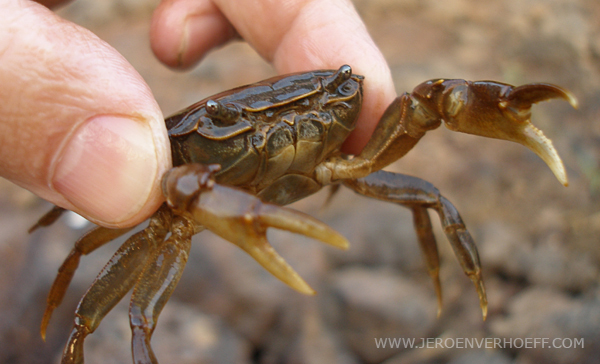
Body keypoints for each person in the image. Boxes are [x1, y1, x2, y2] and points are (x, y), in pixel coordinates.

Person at [0, 0, 395, 228]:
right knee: (133, 317)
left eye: (331, 94)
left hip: (326, 145)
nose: (289, 129)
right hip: (199, 197)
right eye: (232, 122)